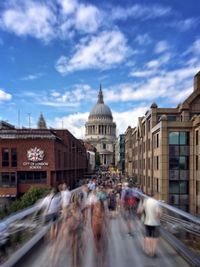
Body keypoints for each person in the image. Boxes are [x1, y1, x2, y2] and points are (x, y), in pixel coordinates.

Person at [141, 192, 162, 257]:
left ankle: (149, 251)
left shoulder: (146, 201)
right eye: (158, 195)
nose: (158, 197)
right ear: (155, 195)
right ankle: (153, 252)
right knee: (155, 238)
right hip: (155, 223)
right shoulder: (156, 203)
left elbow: (141, 210)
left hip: (147, 222)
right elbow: (158, 214)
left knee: (148, 236)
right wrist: (160, 214)